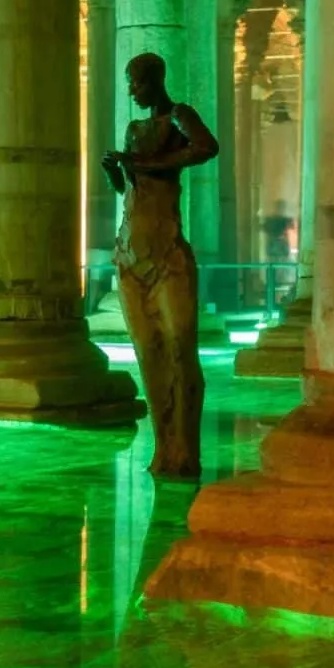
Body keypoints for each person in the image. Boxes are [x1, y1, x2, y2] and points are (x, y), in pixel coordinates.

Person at [102, 52, 219, 479]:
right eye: (130, 82)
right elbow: (132, 189)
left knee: (181, 352)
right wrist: (117, 174)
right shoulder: (135, 129)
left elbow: (207, 147)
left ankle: (186, 446)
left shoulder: (178, 116)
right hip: (130, 253)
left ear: (155, 80)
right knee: (148, 354)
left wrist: (144, 164)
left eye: (136, 82)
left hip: (167, 254)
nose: (131, 90)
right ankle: (163, 444)